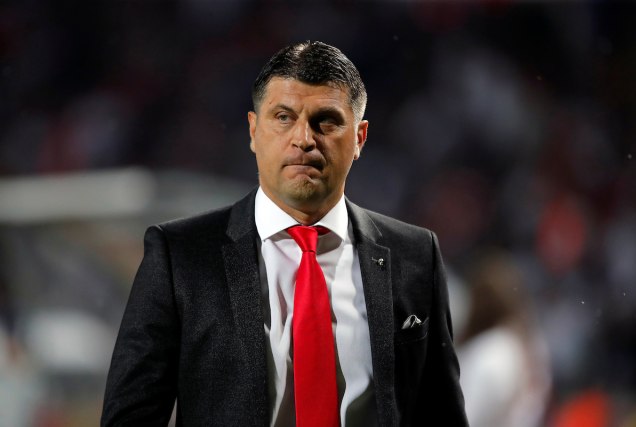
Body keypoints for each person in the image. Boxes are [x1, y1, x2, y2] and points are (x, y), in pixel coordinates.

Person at [101, 41, 467, 427]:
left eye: (326, 120)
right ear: (253, 130)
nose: (304, 138)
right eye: (283, 117)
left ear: (359, 138)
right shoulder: (181, 256)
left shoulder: (415, 255)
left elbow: (442, 415)